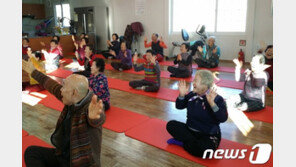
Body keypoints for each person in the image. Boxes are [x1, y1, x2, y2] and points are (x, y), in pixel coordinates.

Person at [22, 59, 106, 167]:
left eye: (64, 86)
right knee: (31, 152)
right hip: (63, 156)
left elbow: (98, 119)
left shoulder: (90, 108)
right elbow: (51, 85)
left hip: (79, 163)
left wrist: (94, 118)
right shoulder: (71, 99)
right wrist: (33, 72)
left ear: (74, 92)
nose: (61, 90)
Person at [166, 70, 228, 157]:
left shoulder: (217, 99)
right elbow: (179, 106)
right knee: (170, 125)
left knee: (207, 151)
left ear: (205, 85)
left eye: (196, 81)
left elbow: (223, 118)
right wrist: (182, 95)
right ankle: (191, 142)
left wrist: (212, 104)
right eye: (194, 80)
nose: (193, 82)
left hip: (208, 134)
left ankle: (184, 143)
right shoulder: (192, 95)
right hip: (190, 130)